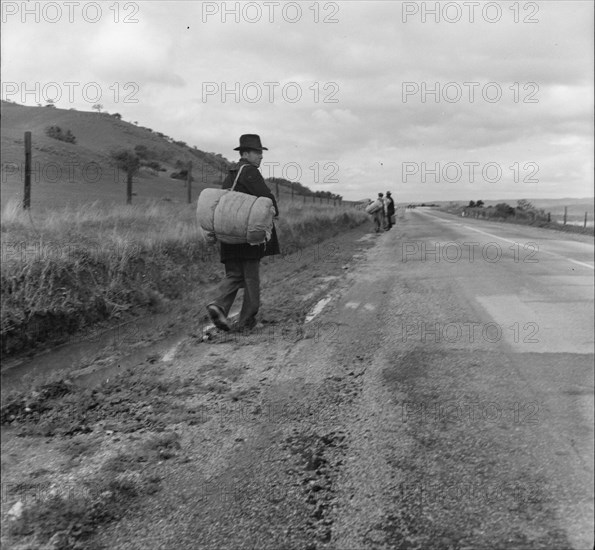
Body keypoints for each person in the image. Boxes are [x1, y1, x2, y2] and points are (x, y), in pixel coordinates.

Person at [206, 134, 280, 332]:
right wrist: (276, 212)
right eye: (257, 152)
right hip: (247, 237)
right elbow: (266, 197)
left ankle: (219, 305)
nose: (260, 157)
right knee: (250, 278)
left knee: (233, 274)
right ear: (245, 153)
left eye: (260, 153)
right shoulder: (250, 172)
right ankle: (246, 320)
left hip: (227, 235)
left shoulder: (231, 173)